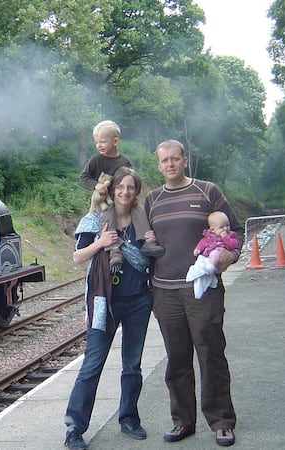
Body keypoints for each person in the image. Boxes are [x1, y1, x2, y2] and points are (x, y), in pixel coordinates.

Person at [143, 139, 242, 447]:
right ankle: (183, 421)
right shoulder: (152, 199)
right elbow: (146, 244)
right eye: (164, 161)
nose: (170, 164)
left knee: (210, 352)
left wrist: (229, 257)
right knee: (176, 358)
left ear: (185, 160)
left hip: (203, 290)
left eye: (175, 159)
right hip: (165, 291)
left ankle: (221, 420)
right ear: (158, 165)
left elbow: (236, 232)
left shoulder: (207, 191)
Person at [64, 167, 154, 450]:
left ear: (136, 191)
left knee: (132, 365)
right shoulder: (95, 219)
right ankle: (75, 427)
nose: (125, 192)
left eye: (131, 187)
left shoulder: (143, 220)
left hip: (138, 299)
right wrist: (101, 243)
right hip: (105, 301)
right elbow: (78, 257)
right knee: (92, 365)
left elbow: (152, 255)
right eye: (120, 187)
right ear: (112, 190)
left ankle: (128, 417)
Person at [80, 120, 163, 273]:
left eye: (102, 142)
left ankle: (146, 241)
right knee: (108, 216)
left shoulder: (124, 162)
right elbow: (84, 177)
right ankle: (114, 251)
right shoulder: (96, 160)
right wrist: (95, 185)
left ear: (115, 141)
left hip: (123, 198)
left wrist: (133, 194)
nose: (99, 145)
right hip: (105, 201)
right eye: (96, 142)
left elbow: (132, 180)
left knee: (139, 210)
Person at [186, 211, 240, 299]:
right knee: (200, 261)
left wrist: (225, 237)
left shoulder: (230, 236)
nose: (225, 229)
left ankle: (210, 267)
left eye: (227, 225)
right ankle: (198, 277)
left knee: (214, 254)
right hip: (206, 255)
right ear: (212, 229)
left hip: (218, 252)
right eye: (221, 227)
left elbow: (233, 245)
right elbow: (203, 242)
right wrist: (198, 249)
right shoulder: (209, 236)